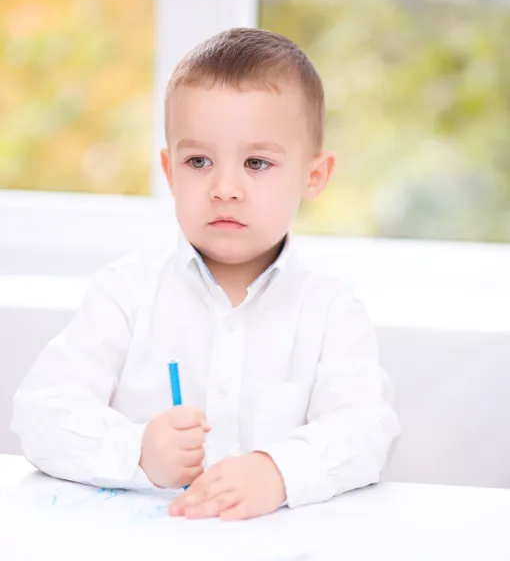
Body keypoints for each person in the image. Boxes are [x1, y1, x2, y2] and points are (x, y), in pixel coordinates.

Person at [11, 27, 400, 522]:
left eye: (257, 162)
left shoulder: (329, 310)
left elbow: (367, 427)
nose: (225, 188)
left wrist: (278, 472)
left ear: (313, 176)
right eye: (199, 161)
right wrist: (137, 451)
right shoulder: (126, 292)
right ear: (170, 172)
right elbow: (42, 412)